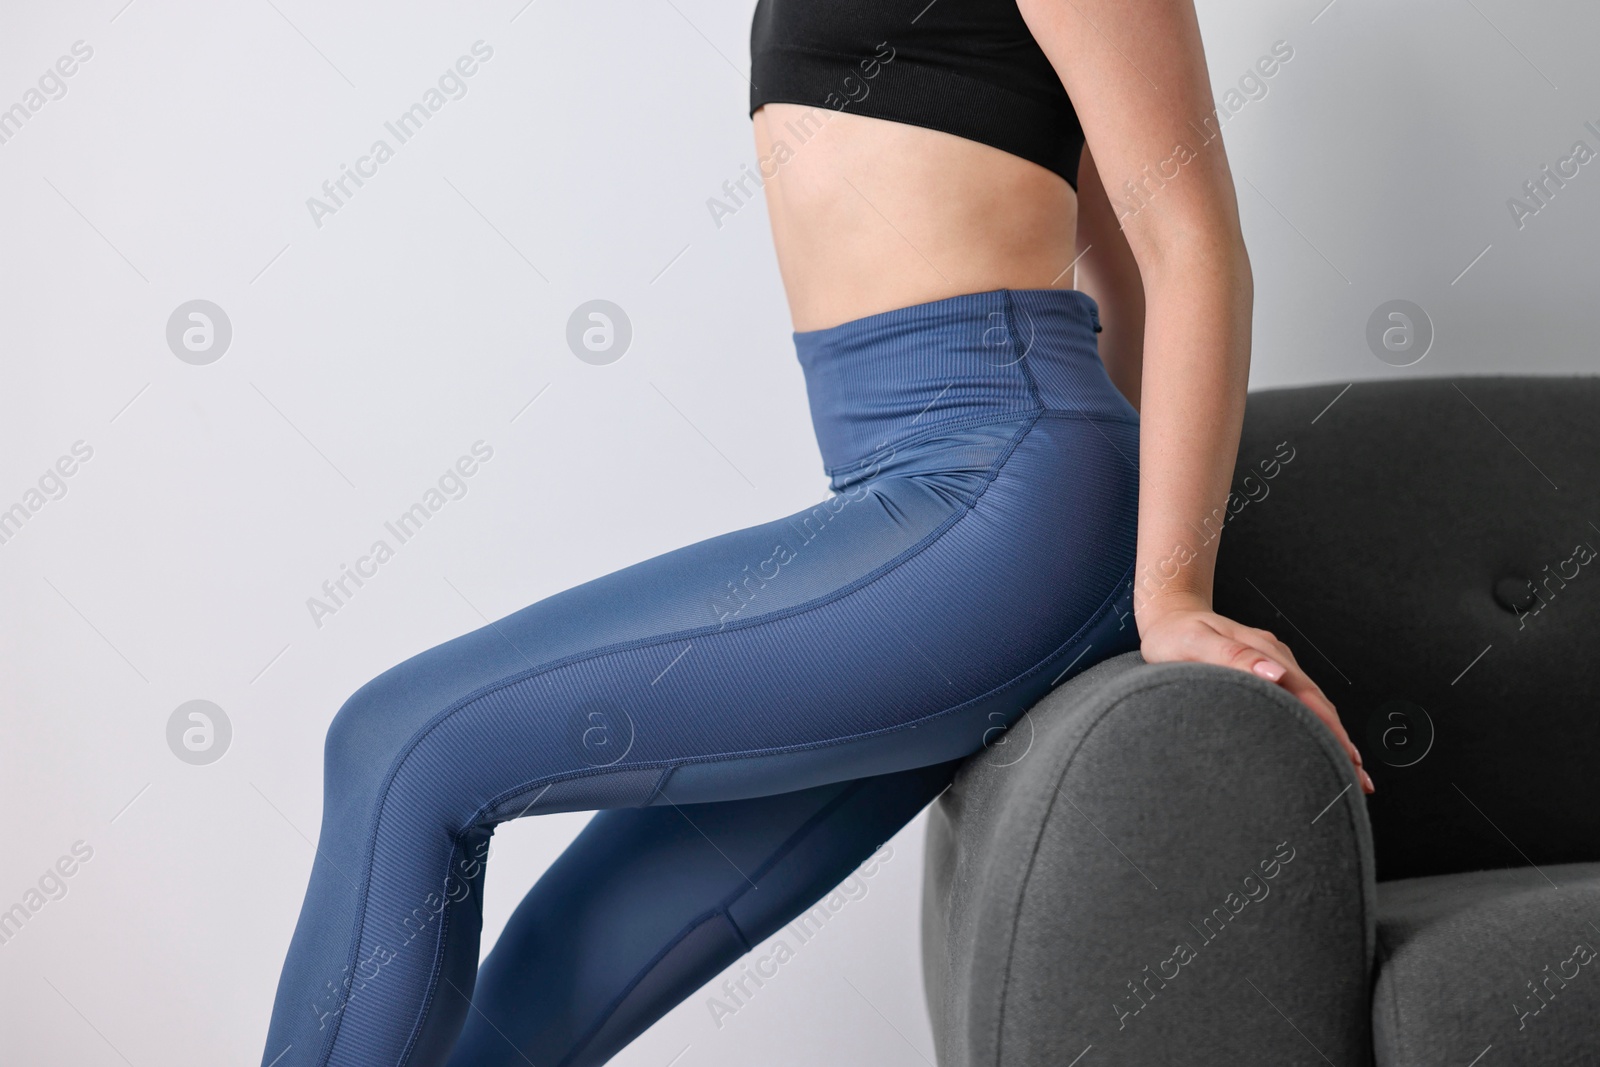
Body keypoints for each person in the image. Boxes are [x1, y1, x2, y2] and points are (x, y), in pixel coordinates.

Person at [258, 1, 1371, 1064]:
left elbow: (1186, 244)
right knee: (529, 1010)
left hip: (998, 494)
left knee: (403, 747)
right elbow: (1114, 271)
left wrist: (1161, 590)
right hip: (941, 512)